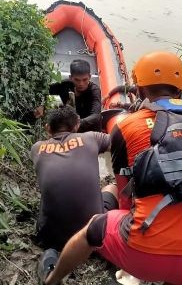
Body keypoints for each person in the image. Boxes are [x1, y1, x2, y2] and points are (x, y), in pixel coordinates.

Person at [42, 51, 182, 285]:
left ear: (139, 90)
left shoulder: (128, 126)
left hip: (145, 254)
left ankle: (52, 279)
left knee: (93, 229)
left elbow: (125, 199)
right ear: (181, 89)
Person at [31, 105, 118, 251]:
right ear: (77, 124)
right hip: (93, 233)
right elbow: (119, 141)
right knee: (111, 187)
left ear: (48, 128)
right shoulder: (92, 137)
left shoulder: (36, 148)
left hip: (50, 238)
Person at [49, 59, 102, 132]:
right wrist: (41, 105)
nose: (81, 83)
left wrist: (77, 123)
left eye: (85, 79)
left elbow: (96, 116)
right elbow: (45, 90)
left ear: (90, 77)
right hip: (69, 130)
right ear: (71, 78)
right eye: (77, 80)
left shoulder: (94, 90)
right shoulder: (65, 85)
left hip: (89, 131)